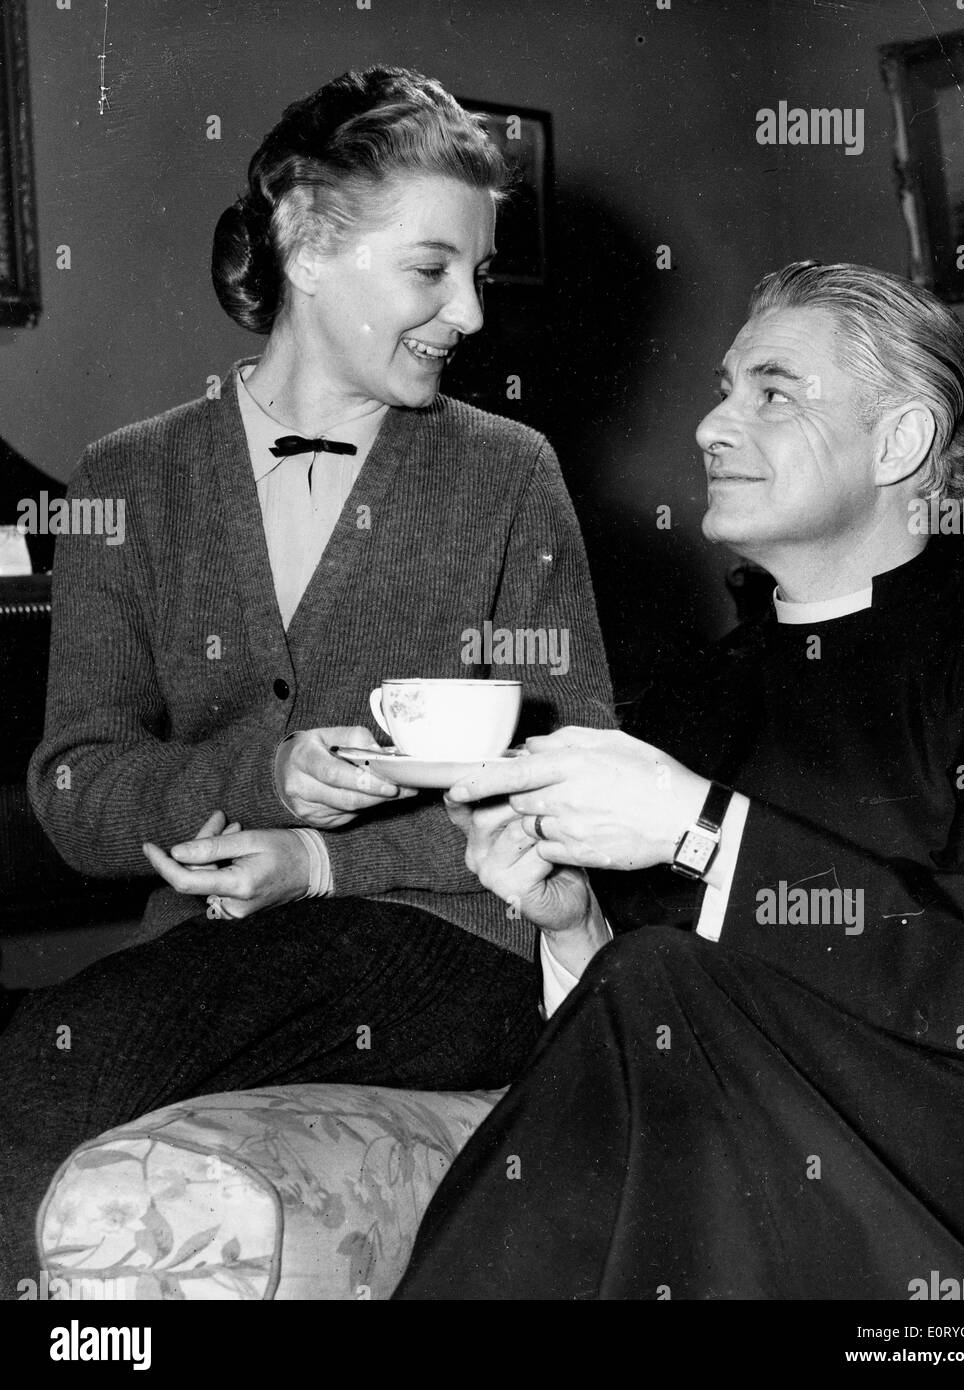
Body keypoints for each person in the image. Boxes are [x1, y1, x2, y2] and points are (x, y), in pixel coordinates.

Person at [0, 66, 614, 1297]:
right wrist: (259, 780)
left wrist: (330, 861)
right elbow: (76, 785)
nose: (472, 315)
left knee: (56, 1066)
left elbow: (582, 776)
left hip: (458, 946)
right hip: (221, 953)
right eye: (432, 269)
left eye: (479, 274)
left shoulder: (507, 472)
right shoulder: (131, 477)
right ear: (306, 242)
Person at [392, 261, 964, 1301]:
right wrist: (569, 926)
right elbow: (653, 1044)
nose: (709, 424)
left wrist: (700, 830)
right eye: (724, 388)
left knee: (656, 979)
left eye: (770, 392)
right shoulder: (697, 694)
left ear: (899, 441)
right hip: (753, 1172)